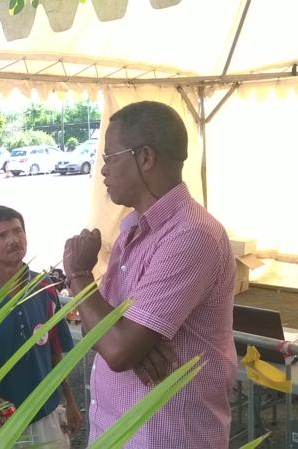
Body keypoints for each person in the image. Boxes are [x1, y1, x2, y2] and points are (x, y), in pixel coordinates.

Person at [62, 101, 236, 449]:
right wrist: (129, 339)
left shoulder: (191, 235)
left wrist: (79, 275)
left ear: (145, 158)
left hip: (165, 437)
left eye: (110, 157)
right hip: (116, 430)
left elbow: (117, 348)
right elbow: (102, 330)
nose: (103, 170)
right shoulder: (133, 229)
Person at [0, 206, 81, 449]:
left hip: (44, 413)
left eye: (17, 231)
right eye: (1, 235)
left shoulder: (45, 288)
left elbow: (55, 353)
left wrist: (70, 401)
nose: (13, 240)